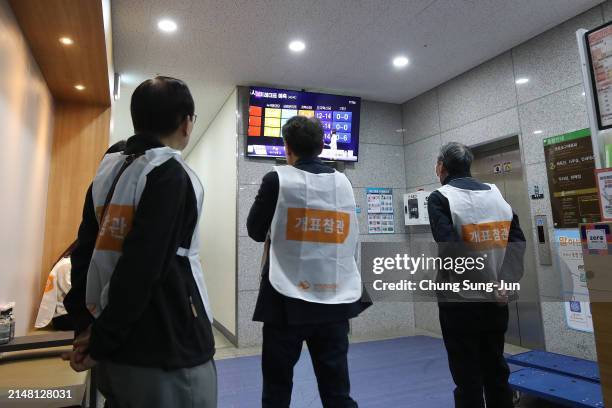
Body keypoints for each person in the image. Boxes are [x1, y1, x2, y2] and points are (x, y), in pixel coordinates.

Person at [62, 76, 217, 408]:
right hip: (164, 348)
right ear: (186, 123)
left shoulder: (107, 172)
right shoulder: (169, 174)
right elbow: (142, 267)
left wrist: (87, 329)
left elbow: (84, 253)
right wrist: (100, 341)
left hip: (114, 341)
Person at [247, 116, 371, 408]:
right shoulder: (343, 181)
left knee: (277, 389)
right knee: (337, 391)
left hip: (285, 301)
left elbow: (254, 231)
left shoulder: (277, 178)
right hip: (334, 298)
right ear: (321, 147)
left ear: (287, 148)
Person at [427, 142, 526, 408]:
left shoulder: (440, 197)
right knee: (496, 370)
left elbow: (450, 249)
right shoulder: (496, 194)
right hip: (497, 302)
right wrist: (504, 283)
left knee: (467, 376)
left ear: (441, 167)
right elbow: (517, 240)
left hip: (460, 303)